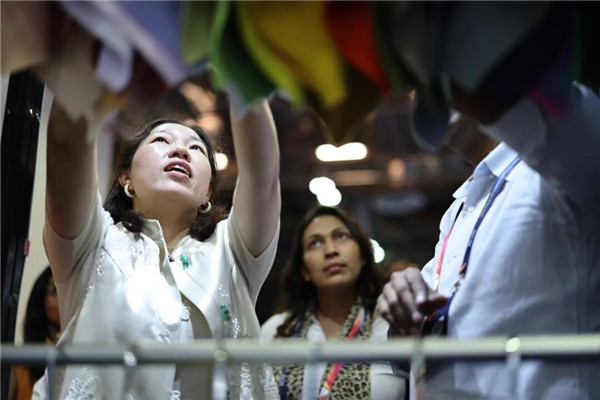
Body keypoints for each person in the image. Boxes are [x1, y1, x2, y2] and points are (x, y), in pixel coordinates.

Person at [32, 91, 281, 400]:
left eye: (196, 148)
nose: (180, 150)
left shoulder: (232, 251)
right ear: (126, 176)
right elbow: (66, 146)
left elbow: (263, 178)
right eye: (161, 140)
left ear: (207, 193)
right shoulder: (92, 243)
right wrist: (94, 69)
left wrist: (242, 76)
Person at [378, 82, 600, 399]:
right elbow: (414, 333)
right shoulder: (458, 209)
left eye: (438, 76)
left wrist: (478, 82)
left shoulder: (559, 164)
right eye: (418, 85)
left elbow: (570, 117)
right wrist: (403, 309)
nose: (426, 92)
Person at [261, 205, 406, 400]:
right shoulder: (275, 331)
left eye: (340, 236)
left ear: (363, 256)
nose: (330, 251)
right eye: (314, 243)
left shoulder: (391, 324)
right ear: (304, 270)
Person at [10, 267, 61, 400]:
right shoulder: (19, 366)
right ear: (41, 299)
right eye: (55, 290)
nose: (64, 298)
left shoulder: (87, 352)